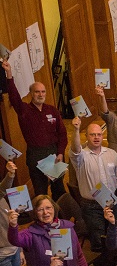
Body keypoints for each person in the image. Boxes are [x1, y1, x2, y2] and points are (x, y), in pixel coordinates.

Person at [3, 59, 67, 199]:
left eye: (43, 92)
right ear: (31, 93)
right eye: (37, 92)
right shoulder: (24, 110)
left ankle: (62, 219)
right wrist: (9, 73)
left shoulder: (52, 110)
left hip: (54, 153)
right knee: (40, 192)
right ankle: (44, 219)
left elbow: (62, 134)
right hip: (35, 155)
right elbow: (14, 97)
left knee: (59, 189)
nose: (41, 94)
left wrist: (61, 152)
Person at [69, 116, 117, 252]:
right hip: (91, 205)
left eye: (99, 134)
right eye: (92, 135)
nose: (96, 137)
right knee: (98, 240)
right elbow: (75, 149)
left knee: (113, 236)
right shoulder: (81, 157)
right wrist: (76, 129)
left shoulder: (112, 154)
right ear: (86, 136)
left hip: (112, 201)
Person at [0, 161, 24, 266]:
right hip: (1, 255)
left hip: (13, 248)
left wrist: (20, 248)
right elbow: (3, 188)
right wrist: (10, 175)